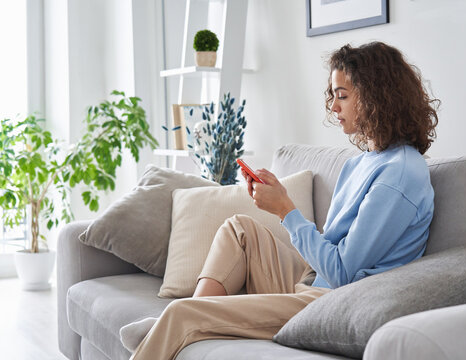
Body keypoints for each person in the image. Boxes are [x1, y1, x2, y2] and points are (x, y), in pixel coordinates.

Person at [125, 41, 439, 360]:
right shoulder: (361, 162)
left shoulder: (399, 175)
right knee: (239, 230)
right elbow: (328, 249)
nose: (334, 107)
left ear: (376, 97)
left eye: (342, 96)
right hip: (314, 281)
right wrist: (282, 201)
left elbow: (343, 272)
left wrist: (286, 211)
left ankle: (178, 321)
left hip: (334, 303)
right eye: (333, 96)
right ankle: (187, 317)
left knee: (182, 315)